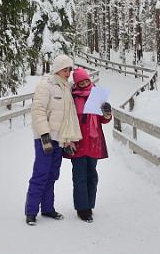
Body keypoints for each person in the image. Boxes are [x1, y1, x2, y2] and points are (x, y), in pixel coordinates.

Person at [24, 54, 83, 226]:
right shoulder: (46, 85)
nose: (68, 72)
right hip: (45, 137)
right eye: (65, 69)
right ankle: (31, 211)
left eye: (70, 69)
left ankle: (48, 208)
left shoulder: (66, 88)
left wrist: (68, 140)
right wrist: (44, 135)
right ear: (57, 69)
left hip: (60, 139)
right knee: (41, 174)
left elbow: (67, 117)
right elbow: (38, 111)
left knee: (52, 175)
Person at [63, 67, 112, 223]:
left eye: (86, 80)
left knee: (92, 175)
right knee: (79, 176)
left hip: (94, 142)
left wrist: (107, 113)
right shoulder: (72, 97)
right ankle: (82, 209)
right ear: (76, 83)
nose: (84, 83)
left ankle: (90, 205)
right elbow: (67, 119)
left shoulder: (97, 95)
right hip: (77, 142)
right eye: (81, 81)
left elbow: (103, 120)